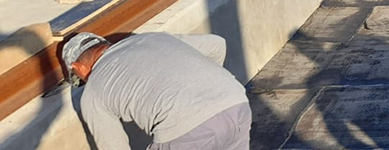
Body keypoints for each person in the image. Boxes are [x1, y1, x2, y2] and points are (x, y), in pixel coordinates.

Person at [62, 31, 251, 150]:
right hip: (235, 103)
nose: (84, 81)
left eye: (81, 79)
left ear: (78, 67)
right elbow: (217, 44)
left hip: (187, 130)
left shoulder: (93, 91)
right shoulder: (150, 37)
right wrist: (209, 91)